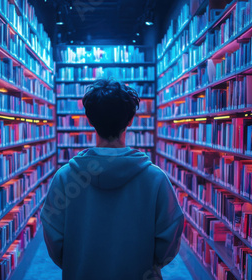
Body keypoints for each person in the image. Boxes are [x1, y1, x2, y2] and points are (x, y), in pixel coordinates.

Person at [41, 79, 184, 280]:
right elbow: (169, 240)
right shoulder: (156, 179)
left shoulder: (64, 178)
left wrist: (79, 262)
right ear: (130, 120)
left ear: (89, 120)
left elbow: (54, 238)